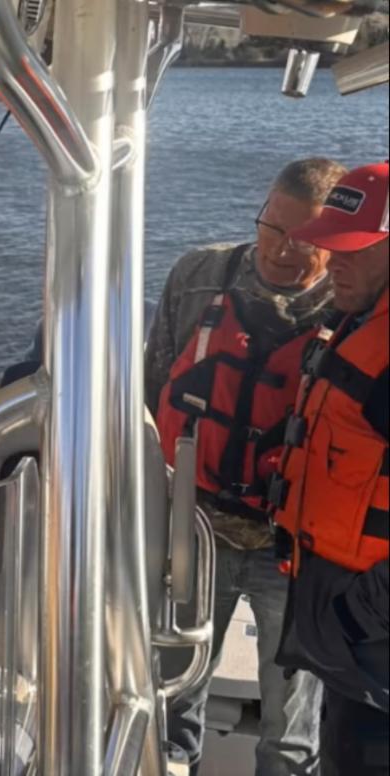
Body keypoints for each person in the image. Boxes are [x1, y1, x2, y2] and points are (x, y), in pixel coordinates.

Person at [146, 158, 349, 775]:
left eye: (304, 240)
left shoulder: (354, 310)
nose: (281, 250)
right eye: (272, 227)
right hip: (195, 530)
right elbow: (152, 385)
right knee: (170, 695)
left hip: (291, 551)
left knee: (290, 727)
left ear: (334, 242)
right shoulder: (199, 277)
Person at [269, 161, 389, 776]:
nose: (334, 262)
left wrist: (358, 616)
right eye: (332, 246)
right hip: (347, 650)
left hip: (373, 651)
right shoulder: (358, 321)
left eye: (356, 250)